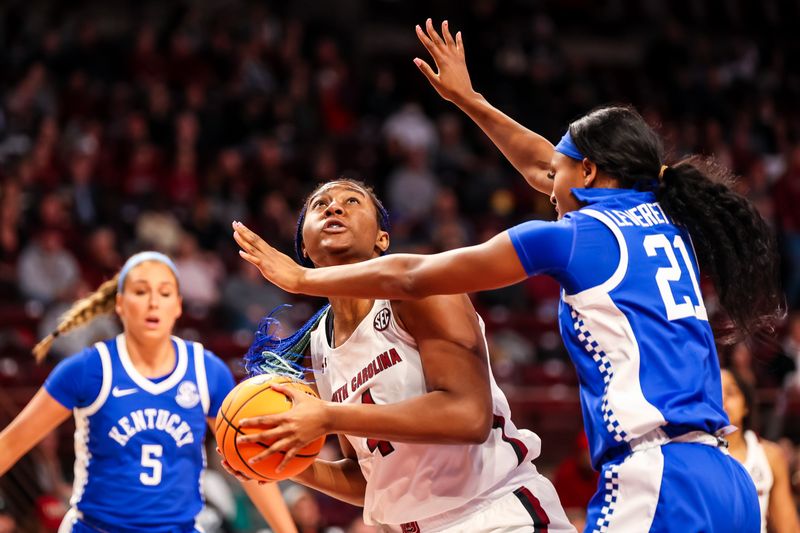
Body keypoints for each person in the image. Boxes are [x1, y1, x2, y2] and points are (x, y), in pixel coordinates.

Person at [228, 20, 786, 532]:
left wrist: (300, 281)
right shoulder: (659, 217)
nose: (546, 183)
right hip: (723, 474)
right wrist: (469, 100)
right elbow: (545, 164)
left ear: (587, 173)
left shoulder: (571, 237)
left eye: (557, 175)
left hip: (650, 474)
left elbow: (413, 276)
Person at [227, 179, 574, 532]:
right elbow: (370, 480)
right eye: (320, 204)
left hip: (494, 514)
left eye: (351, 201)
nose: (334, 207)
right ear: (303, 244)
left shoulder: (420, 288)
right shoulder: (320, 342)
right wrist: (283, 459)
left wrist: (329, 417)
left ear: (382, 239)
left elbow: (469, 416)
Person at [0, 251, 297, 533]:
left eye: (165, 293)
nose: (153, 302)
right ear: (119, 303)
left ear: (178, 304)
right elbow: (11, 444)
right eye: (141, 292)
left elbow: (248, 462)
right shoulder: (88, 368)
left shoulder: (207, 371)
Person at [721, 368, 800, 533]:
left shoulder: (770, 455)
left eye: (731, 392)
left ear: (746, 406)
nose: (722, 399)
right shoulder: (693, 454)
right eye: (715, 393)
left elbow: (788, 528)